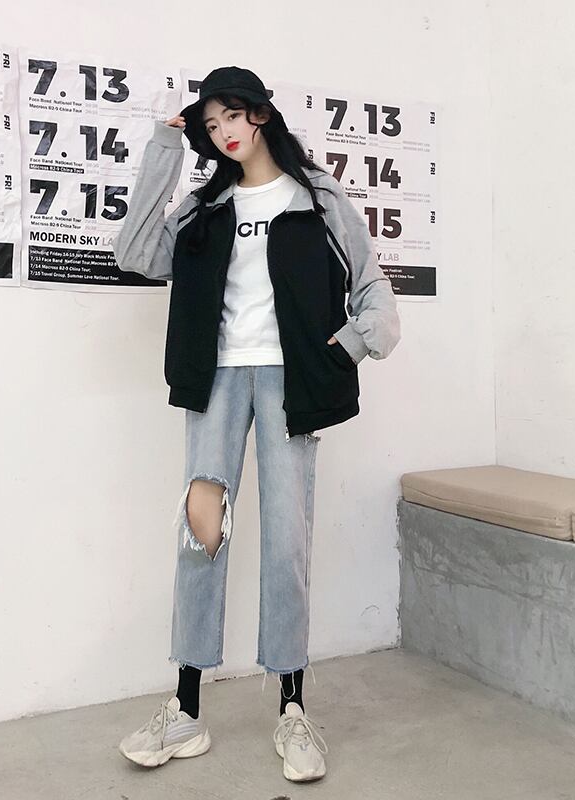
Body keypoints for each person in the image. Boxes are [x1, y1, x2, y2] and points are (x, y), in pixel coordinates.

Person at [111, 66, 401, 782]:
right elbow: (136, 255)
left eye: (231, 117)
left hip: (289, 381)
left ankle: (293, 709)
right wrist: (165, 150)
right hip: (215, 379)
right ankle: (185, 709)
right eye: (210, 126)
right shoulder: (204, 207)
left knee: (286, 538)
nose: (222, 133)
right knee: (201, 533)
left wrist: (348, 345)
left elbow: (373, 290)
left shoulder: (317, 197)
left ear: (261, 115)